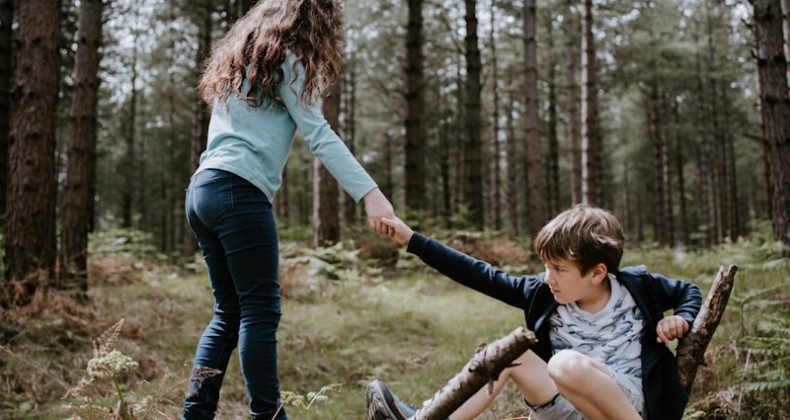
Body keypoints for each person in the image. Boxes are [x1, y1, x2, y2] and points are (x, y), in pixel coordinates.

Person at [182, 1, 394, 419]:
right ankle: (268, 414)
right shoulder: (289, 61)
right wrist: (369, 193)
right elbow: (319, 135)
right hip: (237, 193)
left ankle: (196, 412)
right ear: (316, 21)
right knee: (260, 310)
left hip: (202, 190)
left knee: (228, 312)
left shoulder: (242, 60)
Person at [366, 205, 702, 420]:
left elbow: (689, 291)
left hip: (623, 408)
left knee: (564, 363)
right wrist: (411, 239)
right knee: (511, 354)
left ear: (597, 273)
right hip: (562, 405)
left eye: (559, 269)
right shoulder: (543, 293)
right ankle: (425, 419)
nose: (547, 278)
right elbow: (479, 274)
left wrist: (681, 318)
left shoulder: (637, 287)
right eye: (545, 266)